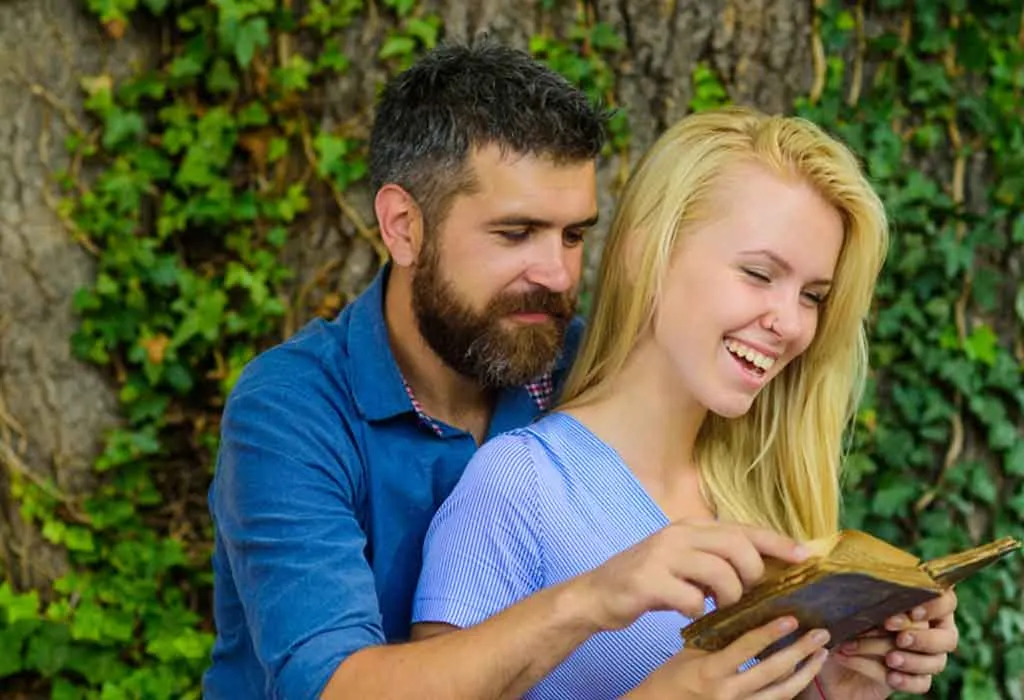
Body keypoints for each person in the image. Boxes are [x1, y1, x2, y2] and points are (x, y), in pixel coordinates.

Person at [206, 40, 814, 700]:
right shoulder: (293, 409)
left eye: (574, 235)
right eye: (515, 233)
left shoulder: (584, 367)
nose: (556, 274)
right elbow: (332, 688)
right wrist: (594, 596)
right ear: (404, 227)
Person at [411, 107, 960, 699]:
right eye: (757, 273)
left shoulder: (762, 499)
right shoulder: (518, 488)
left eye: (812, 295)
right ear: (647, 255)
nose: (789, 323)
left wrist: (837, 685)